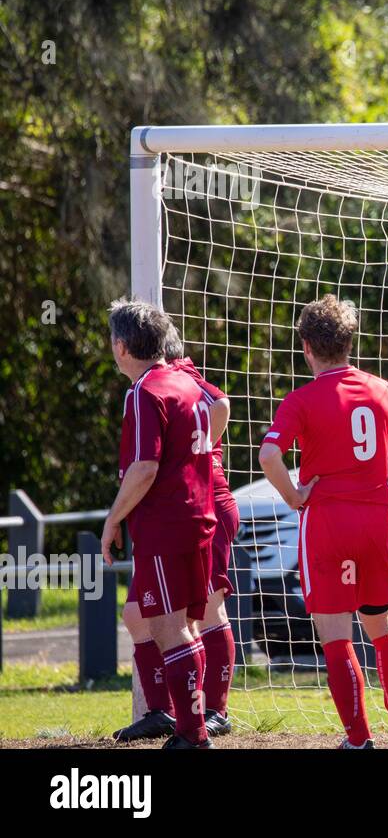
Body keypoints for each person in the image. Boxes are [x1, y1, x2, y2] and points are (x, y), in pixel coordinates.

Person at [259, 295, 388, 749]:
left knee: (336, 637)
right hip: (374, 521)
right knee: (384, 628)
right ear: (349, 342)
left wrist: (294, 496)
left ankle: (359, 740)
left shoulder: (301, 399)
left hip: (327, 523)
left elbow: (268, 455)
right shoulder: (382, 390)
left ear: (306, 347)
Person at [101, 300, 217, 749]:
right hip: (197, 517)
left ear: (122, 345)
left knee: (169, 628)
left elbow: (145, 468)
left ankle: (192, 732)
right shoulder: (188, 384)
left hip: (167, 524)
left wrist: (114, 518)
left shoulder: (144, 392)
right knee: (185, 625)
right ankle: (192, 722)